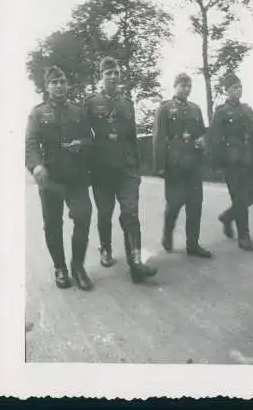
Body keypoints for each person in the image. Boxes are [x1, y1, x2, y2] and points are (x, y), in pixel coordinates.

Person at [86, 56, 157, 284]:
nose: (113, 76)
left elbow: (133, 137)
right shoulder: (91, 103)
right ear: (101, 77)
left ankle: (136, 263)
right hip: (101, 168)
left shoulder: (127, 103)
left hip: (126, 168)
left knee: (130, 213)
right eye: (108, 73)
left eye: (116, 72)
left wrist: (137, 168)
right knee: (105, 212)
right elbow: (86, 136)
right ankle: (105, 248)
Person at [25, 66, 94, 290]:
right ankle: (60, 268)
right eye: (54, 82)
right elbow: (31, 143)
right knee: (52, 225)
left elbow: (89, 139)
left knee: (83, 217)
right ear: (48, 86)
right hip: (51, 179)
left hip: (76, 177)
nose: (59, 85)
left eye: (62, 81)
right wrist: (36, 166)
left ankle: (77, 267)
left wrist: (81, 145)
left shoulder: (78, 111)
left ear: (67, 85)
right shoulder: (37, 113)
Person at [153, 73, 212, 258]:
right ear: (175, 86)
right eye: (183, 85)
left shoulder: (195, 109)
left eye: (189, 86)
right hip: (174, 164)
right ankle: (167, 232)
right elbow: (158, 138)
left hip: (193, 163)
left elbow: (202, 132)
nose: (186, 89)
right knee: (174, 204)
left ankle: (192, 245)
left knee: (195, 205)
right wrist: (160, 166)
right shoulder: (165, 109)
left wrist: (202, 142)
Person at [208, 73, 253, 251]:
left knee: (252, 195)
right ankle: (244, 238)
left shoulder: (247, 109)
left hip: (250, 161)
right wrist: (218, 164)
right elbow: (215, 139)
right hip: (233, 163)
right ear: (226, 91)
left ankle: (227, 217)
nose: (237, 90)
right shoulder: (221, 112)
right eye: (233, 88)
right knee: (240, 199)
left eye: (239, 87)